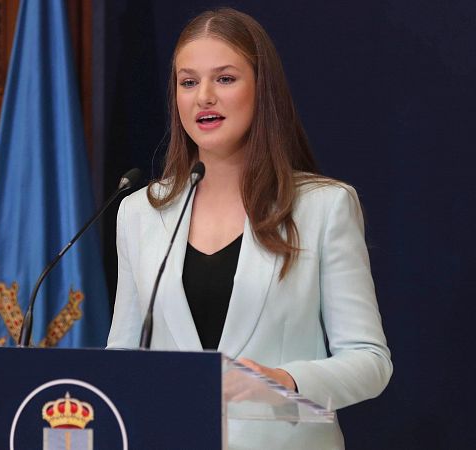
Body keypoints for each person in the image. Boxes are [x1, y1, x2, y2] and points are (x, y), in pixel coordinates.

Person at [106, 7, 392, 450]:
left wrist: (284, 380)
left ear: (263, 90)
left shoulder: (323, 207)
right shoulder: (140, 212)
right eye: (188, 82)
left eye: (224, 79)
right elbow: (122, 360)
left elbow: (371, 362)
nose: (203, 96)